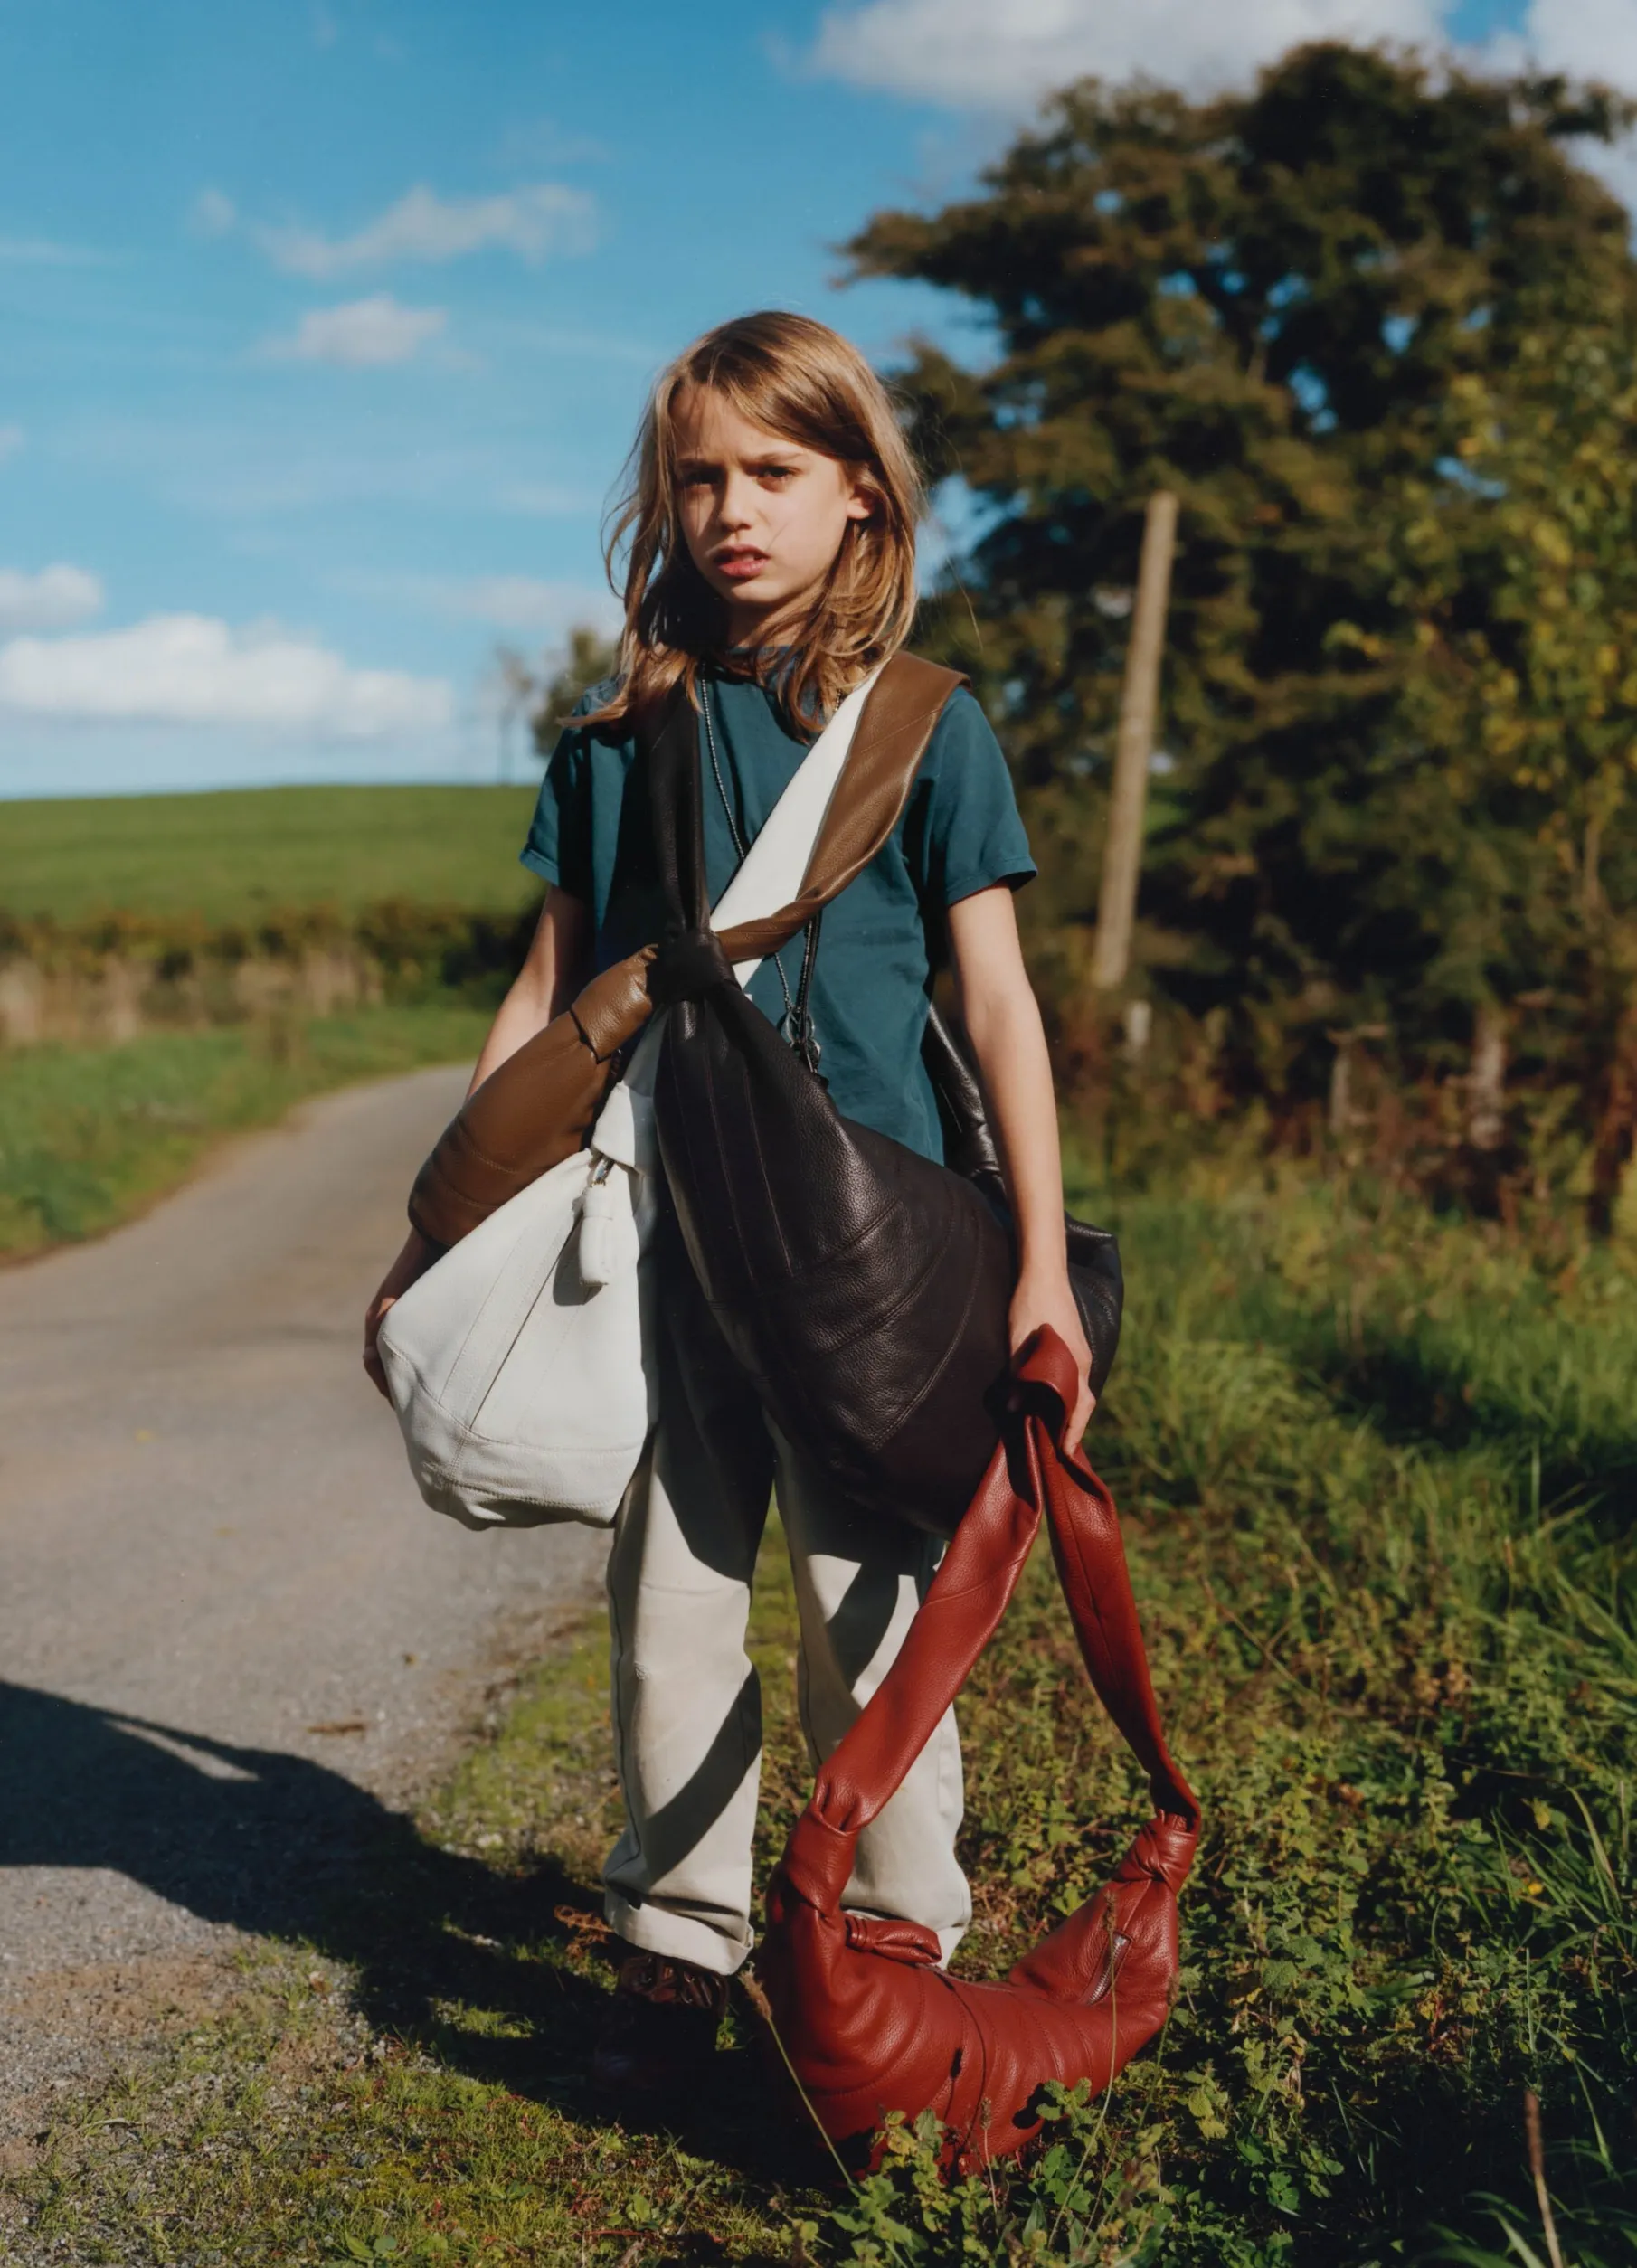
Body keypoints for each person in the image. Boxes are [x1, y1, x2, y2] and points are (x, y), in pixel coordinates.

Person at [363, 310, 1093, 2099]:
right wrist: (447, 1227)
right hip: (673, 1230)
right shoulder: (620, 739)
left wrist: (1037, 1276)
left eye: (774, 471)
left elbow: (1000, 1005)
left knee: (870, 1603)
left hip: (883, 1254)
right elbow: (545, 999)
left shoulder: (930, 728)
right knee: (671, 1603)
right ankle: (676, 1941)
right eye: (698, 478)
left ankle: (888, 1943)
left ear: (861, 495)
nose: (731, 510)